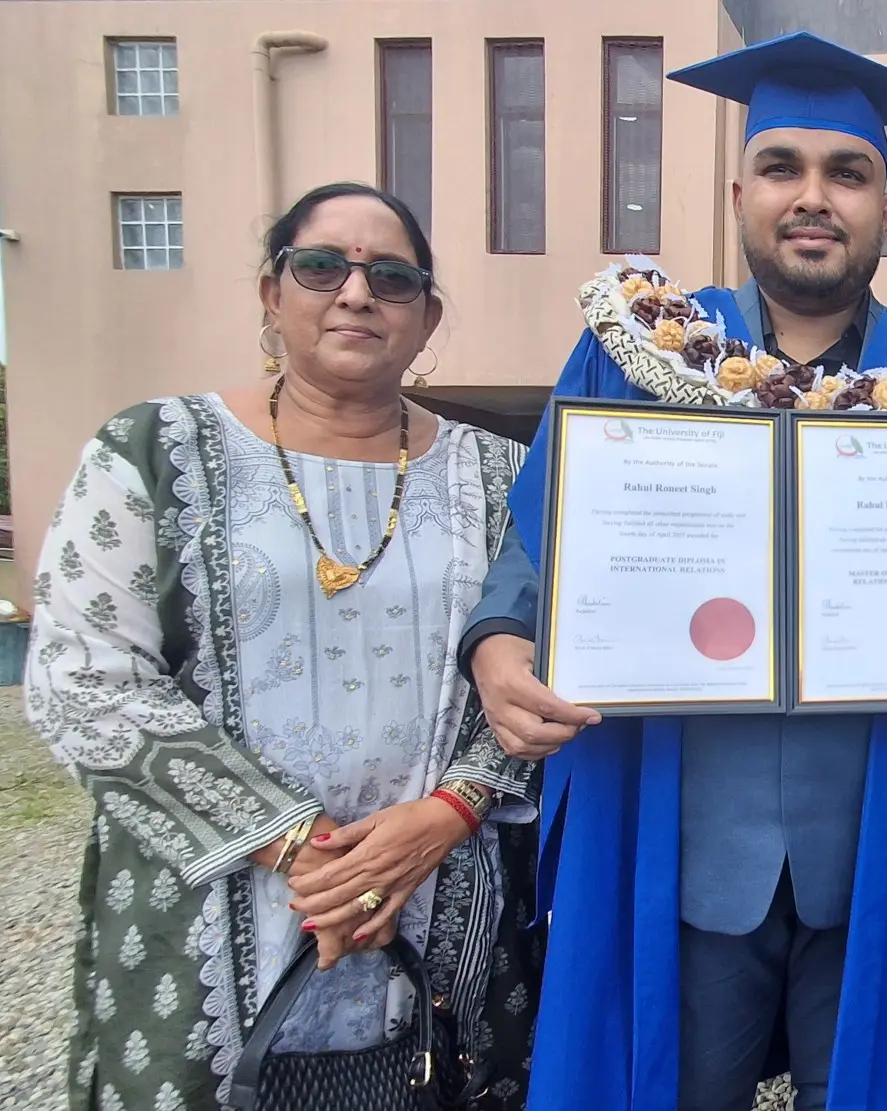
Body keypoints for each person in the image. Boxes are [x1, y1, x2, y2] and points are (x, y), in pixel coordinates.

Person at [458, 32, 887, 1111]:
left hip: (884, 827)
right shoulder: (641, 352)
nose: (813, 197)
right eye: (784, 167)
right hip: (689, 832)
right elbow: (537, 550)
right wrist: (500, 647)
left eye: (849, 173)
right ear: (741, 191)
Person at [24, 182, 541, 1111]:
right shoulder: (149, 448)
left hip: (440, 884)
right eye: (321, 266)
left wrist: (448, 815)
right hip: (218, 901)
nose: (355, 293)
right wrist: (302, 849)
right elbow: (84, 678)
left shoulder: (501, 474)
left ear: (426, 318)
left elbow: (550, 663)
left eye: (391, 277)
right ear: (273, 295)